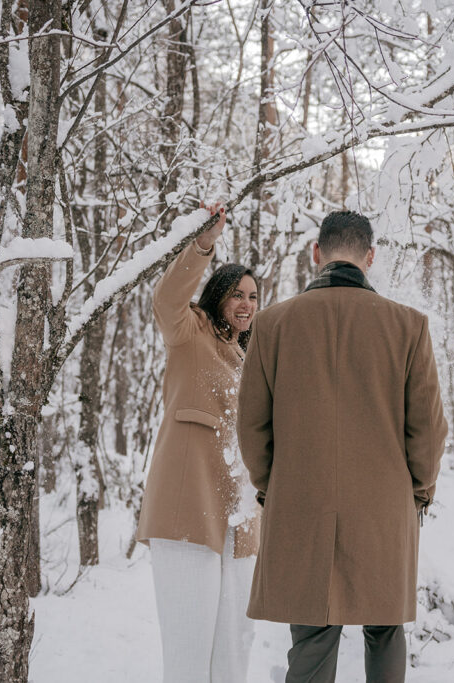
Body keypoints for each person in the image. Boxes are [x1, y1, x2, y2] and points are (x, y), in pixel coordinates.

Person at [237, 210, 448, 683]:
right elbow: (429, 431)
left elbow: (251, 426)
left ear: (316, 253)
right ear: (370, 257)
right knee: (385, 631)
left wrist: (274, 486)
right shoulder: (408, 326)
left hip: (301, 502)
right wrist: (417, 493)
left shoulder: (271, 325)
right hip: (384, 506)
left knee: (311, 637)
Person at [136, 202, 261, 683]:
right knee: (190, 652)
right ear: (217, 295)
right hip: (189, 507)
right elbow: (167, 298)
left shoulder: (251, 356)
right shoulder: (190, 331)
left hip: (240, 515)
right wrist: (203, 245)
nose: (247, 303)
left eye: (253, 295)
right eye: (237, 293)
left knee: (235, 646)